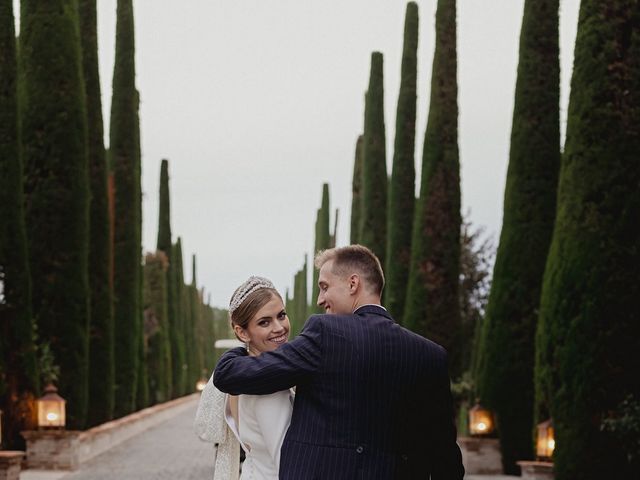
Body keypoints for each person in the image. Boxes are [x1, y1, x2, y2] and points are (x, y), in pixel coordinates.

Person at [214, 245, 464, 479]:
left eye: (325, 287)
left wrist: (237, 350)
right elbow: (445, 454)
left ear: (353, 283)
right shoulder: (432, 355)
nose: (320, 299)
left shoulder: (326, 333)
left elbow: (232, 375)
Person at [196, 276, 294, 480]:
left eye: (281, 315)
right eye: (264, 322)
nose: (279, 328)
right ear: (242, 332)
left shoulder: (241, 378)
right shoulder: (268, 386)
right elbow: (288, 462)